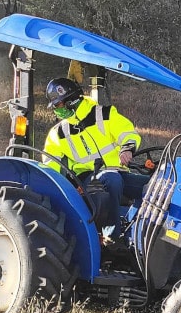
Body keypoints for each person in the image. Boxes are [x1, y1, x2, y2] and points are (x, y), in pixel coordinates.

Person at [42, 77, 144, 244]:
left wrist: (127, 148)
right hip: (86, 181)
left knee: (155, 186)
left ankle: (141, 235)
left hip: (117, 172)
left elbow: (128, 133)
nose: (56, 110)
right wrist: (66, 189)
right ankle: (111, 237)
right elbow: (51, 166)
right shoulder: (57, 133)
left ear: (71, 101)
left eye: (58, 105)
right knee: (112, 179)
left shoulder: (105, 115)